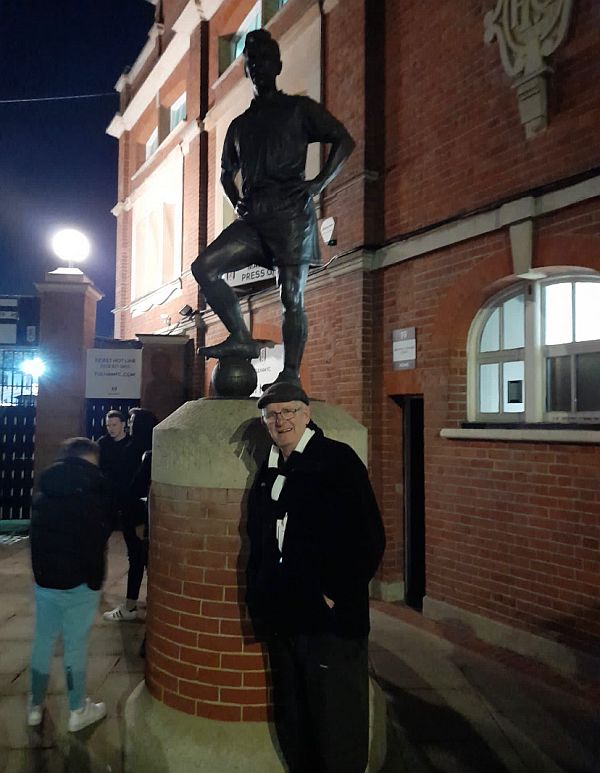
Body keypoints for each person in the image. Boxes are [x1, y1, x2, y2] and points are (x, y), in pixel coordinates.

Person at [191, 28, 355, 388]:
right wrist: (237, 204)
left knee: (290, 297)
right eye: (252, 63)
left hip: (291, 214)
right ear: (246, 70)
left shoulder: (298, 108)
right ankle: (240, 335)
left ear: (277, 66)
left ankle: (291, 375)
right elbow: (224, 175)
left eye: (265, 61)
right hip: (254, 217)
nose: (259, 67)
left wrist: (318, 184)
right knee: (204, 268)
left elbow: (343, 139)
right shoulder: (239, 125)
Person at [246, 383, 386, 773]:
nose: (281, 420)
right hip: (285, 618)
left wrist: (333, 593)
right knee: (297, 719)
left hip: (330, 624)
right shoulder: (270, 467)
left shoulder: (337, 461)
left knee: (336, 723)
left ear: (307, 414)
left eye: (289, 411)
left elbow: (369, 537)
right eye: (272, 415)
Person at [28, 437, 112, 732]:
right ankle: (77, 710)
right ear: (90, 459)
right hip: (79, 582)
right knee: (75, 646)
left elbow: (36, 535)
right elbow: (95, 540)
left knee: (42, 642)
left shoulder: (45, 487)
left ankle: (34, 707)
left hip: (46, 580)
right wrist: (94, 581)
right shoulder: (93, 491)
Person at [98, 409, 144, 622]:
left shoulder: (134, 446)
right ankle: (96, 583)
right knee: (99, 543)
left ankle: (131, 603)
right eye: (108, 425)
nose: (111, 429)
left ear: (123, 424)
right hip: (108, 500)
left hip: (128, 503)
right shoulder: (102, 444)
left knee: (136, 553)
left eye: (114, 425)